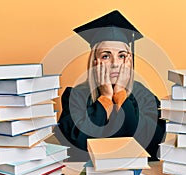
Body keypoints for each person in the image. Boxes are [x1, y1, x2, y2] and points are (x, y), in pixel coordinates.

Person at [54, 10, 166, 161]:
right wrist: (105, 98)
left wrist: (120, 95)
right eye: (106, 56)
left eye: (121, 56)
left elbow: (152, 145)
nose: (115, 64)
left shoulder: (143, 95)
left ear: (129, 61)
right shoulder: (75, 96)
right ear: (94, 61)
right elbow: (78, 146)